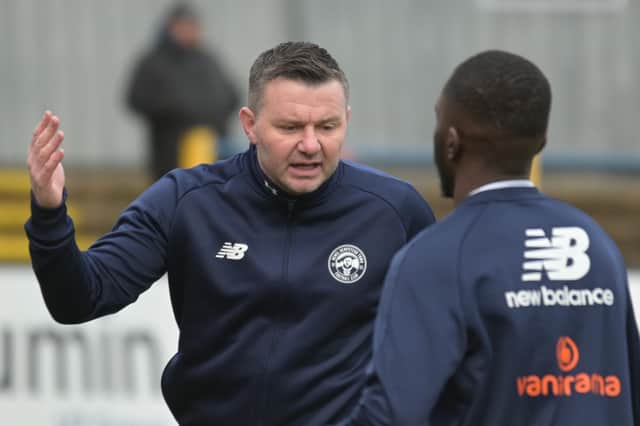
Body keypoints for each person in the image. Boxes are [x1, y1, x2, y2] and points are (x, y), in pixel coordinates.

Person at [25, 41, 436, 426]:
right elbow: (79, 299)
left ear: (346, 119)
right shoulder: (186, 199)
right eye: (290, 127)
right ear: (249, 124)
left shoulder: (395, 210)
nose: (311, 145)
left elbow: (445, 334)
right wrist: (48, 213)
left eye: (327, 127)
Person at [340, 50, 640, 425]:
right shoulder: (597, 246)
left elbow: (390, 415)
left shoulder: (437, 257)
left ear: (451, 142)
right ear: (541, 143)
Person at [126, 3, 240, 181]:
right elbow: (135, 99)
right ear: (170, 28)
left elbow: (232, 95)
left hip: (214, 145)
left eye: (193, 25)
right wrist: (177, 111)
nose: (189, 30)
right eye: (183, 25)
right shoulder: (153, 61)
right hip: (170, 152)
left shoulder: (208, 59)